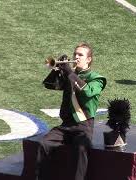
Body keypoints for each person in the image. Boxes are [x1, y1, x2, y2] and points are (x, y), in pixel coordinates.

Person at [38, 42, 106, 180]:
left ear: (89, 59)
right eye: (75, 54)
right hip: (66, 125)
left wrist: (69, 72)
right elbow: (50, 85)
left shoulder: (97, 79)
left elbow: (86, 92)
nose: (76, 57)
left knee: (81, 150)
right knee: (43, 143)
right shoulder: (71, 74)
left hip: (83, 126)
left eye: (80, 55)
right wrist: (57, 69)